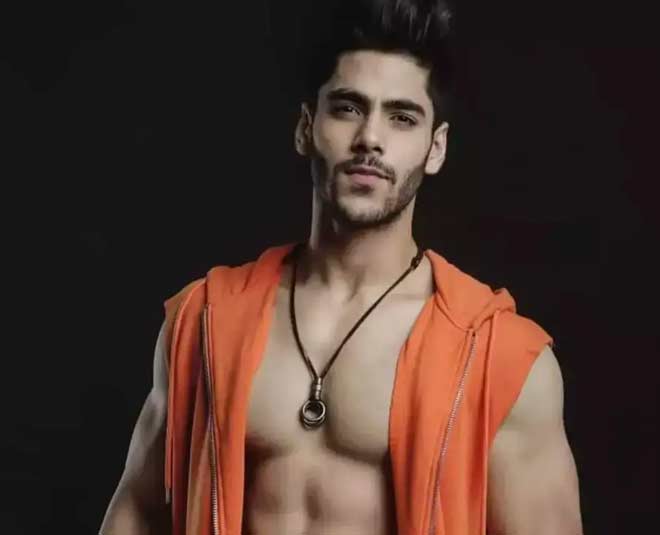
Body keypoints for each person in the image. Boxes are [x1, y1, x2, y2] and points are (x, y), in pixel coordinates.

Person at [100, 1, 583, 534]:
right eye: (348, 108)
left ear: (436, 148)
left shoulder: (501, 359)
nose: (370, 138)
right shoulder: (204, 322)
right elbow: (137, 511)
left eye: (402, 117)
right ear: (306, 127)